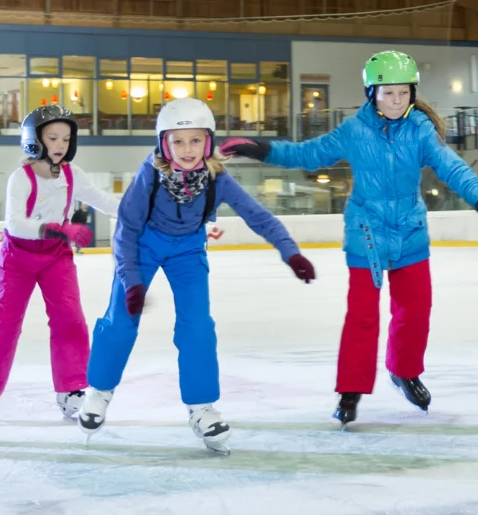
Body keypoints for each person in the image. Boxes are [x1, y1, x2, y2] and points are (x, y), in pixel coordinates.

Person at [219, 50, 478, 428]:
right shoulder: (354, 131)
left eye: (403, 93)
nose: (396, 101)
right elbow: (308, 154)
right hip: (366, 236)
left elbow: (450, 165)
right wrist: (262, 150)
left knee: (416, 310)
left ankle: (404, 371)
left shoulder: (420, 129)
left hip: (409, 234)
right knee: (362, 317)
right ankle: (350, 390)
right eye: (388, 93)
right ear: (372, 92)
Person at [77, 98, 314, 454]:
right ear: (163, 144)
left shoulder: (217, 179)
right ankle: (99, 390)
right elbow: (126, 230)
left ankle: (201, 407)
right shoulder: (149, 177)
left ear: (208, 142)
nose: (187, 150)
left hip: (188, 250)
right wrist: (131, 281)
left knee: (198, 325)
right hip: (144, 245)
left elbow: (257, 215)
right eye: (178, 141)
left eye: (195, 140)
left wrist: (290, 250)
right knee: (122, 317)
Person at [0, 106, 120, 424]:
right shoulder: (21, 178)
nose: (60, 144)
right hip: (18, 258)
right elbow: (16, 224)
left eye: (65, 138)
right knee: (4, 323)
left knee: (70, 319)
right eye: (52, 137)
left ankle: (72, 389)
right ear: (34, 140)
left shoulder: (74, 176)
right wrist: (58, 228)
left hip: (56, 257)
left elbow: (102, 200)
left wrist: (139, 209)